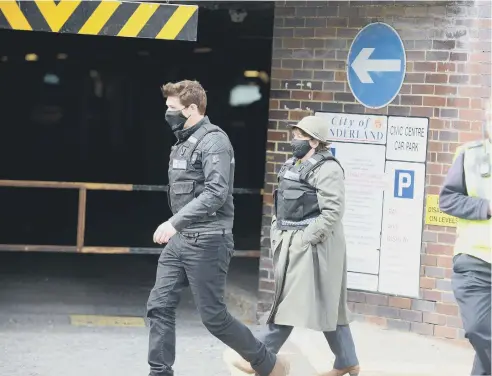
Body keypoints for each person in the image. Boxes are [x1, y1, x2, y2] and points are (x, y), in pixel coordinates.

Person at [147, 80, 289, 376]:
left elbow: (216, 193)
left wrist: (173, 223)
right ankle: (159, 372)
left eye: (172, 108)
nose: (167, 113)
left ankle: (267, 363)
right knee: (159, 305)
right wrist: (178, 227)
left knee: (213, 317)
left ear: (192, 109)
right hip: (182, 240)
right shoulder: (182, 143)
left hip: (209, 240)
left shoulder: (215, 142)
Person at [224, 115, 360, 376]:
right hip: (293, 243)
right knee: (328, 302)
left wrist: (305, 238)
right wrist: (278, 228)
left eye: (300, 135)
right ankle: (347, 360)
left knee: (288, 303)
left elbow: (333, 211)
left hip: (314, 247)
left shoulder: (328, 169)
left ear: (314, 141)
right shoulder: (293, 165)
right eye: (295, 134)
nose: (294, 139)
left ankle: (259, 357)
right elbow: (282, 201)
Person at [439, 121, 491, 376]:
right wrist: (486, 208)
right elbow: (447, 199)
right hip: (475, 259)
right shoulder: (470, 155)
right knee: (478, 328)